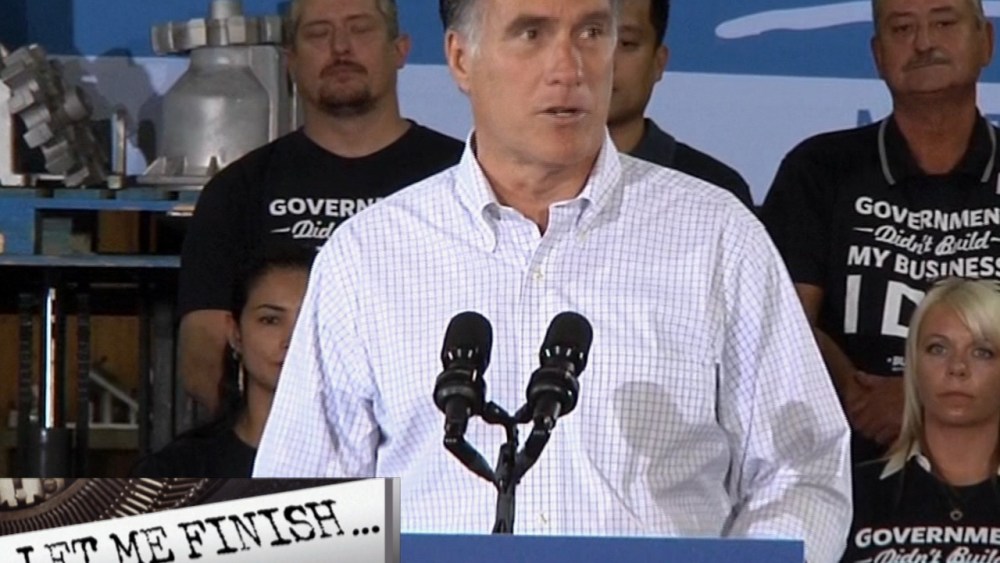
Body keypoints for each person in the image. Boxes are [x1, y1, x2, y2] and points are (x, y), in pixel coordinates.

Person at [255, 1, 852, 561]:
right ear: (461, 59)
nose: (569, 68)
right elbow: (297, 504)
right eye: (532, 34)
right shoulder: (367, 255)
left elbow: (805, 470)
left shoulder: (718, 236)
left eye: (591, 32)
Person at [177, 0, 464, 414]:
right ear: (291, 61)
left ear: (400, 50)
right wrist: (275, 439)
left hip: (431, 435)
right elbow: (203, 359)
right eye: (317, 33)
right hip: (279, 441)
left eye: (360, 29)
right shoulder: (237, 191)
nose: (340, 47)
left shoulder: (462, 178)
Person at [760, 0, 1000, 463]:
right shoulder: (820, 168)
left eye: (944, 22)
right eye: (902, 28)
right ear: (877, 55)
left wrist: (920, 400)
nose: (924, 42)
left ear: (986, 41)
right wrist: (857, 393)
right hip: (846, 461)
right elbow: (783, 320)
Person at [842, 278, 1000, 562]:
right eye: (938, 349)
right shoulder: (850, 494)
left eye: (982, 352)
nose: (957, 367)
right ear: (913, 365)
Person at [133, 248, 313, 477]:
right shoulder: (175, 471)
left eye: (309, 320)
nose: (292, 340)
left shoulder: (357, 462)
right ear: (236, 333)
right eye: (270, 320)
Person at [607, 0, 754, 210]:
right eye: (588, 37)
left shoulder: (716, 192)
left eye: (626, 43)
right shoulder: (554, 179)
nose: (605, 62)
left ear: (658, 62)